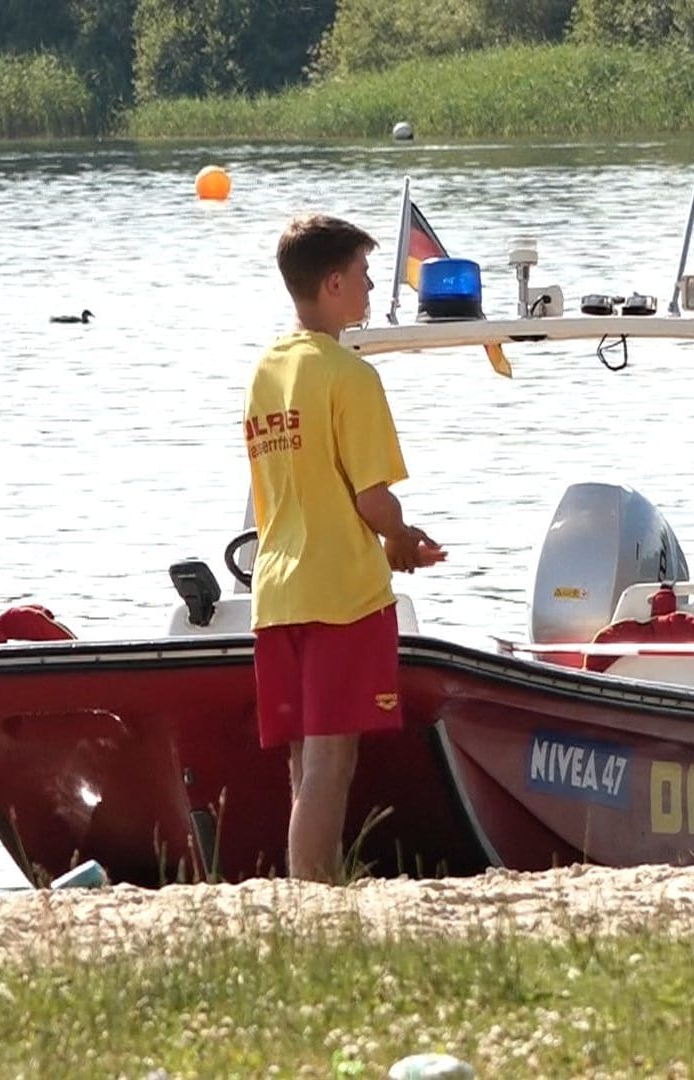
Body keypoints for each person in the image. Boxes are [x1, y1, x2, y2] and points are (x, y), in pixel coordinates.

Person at [243, 214, 446, 883]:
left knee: (304, 757)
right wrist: (402, 538)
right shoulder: (352, 377)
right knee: (333, 759)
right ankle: (315, 889)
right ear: (332, 284)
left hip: (277, 590)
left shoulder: (266, 372)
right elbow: (371, 500)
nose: (369, 288)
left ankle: (311, 884)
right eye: (361, 275)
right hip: (342, 595)